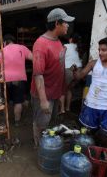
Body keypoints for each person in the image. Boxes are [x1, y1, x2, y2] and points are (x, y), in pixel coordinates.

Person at [31, 8, 75, 146]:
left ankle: (44, 142)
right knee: (41, 123)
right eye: (66, 22)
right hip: (44, 94)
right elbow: (38, 75)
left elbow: (58, 66)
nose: (68, 25)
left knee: (49, 121)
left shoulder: (57, 41)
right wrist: (43, 100)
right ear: (57, 23)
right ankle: (39, 146)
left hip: (55, 93)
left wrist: (61, 92)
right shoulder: (41, 44)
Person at [0, 34, 32, 126]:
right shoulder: (22, 48)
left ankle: (6, 121)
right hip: (19, 79)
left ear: (5, 42)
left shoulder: (2, 51)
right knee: (18, 101)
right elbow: (33, 58)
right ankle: (17, 121)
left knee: (5, 101)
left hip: (5, 79)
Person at [60, 33, 83, 114]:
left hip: (68, 69)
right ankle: (68, 108)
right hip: (78, 70)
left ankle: (62, 109)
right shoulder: (79, 48)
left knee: (62, 90)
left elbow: (60, 57)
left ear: (70, 39)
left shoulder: (66, 46)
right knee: (69, 89)